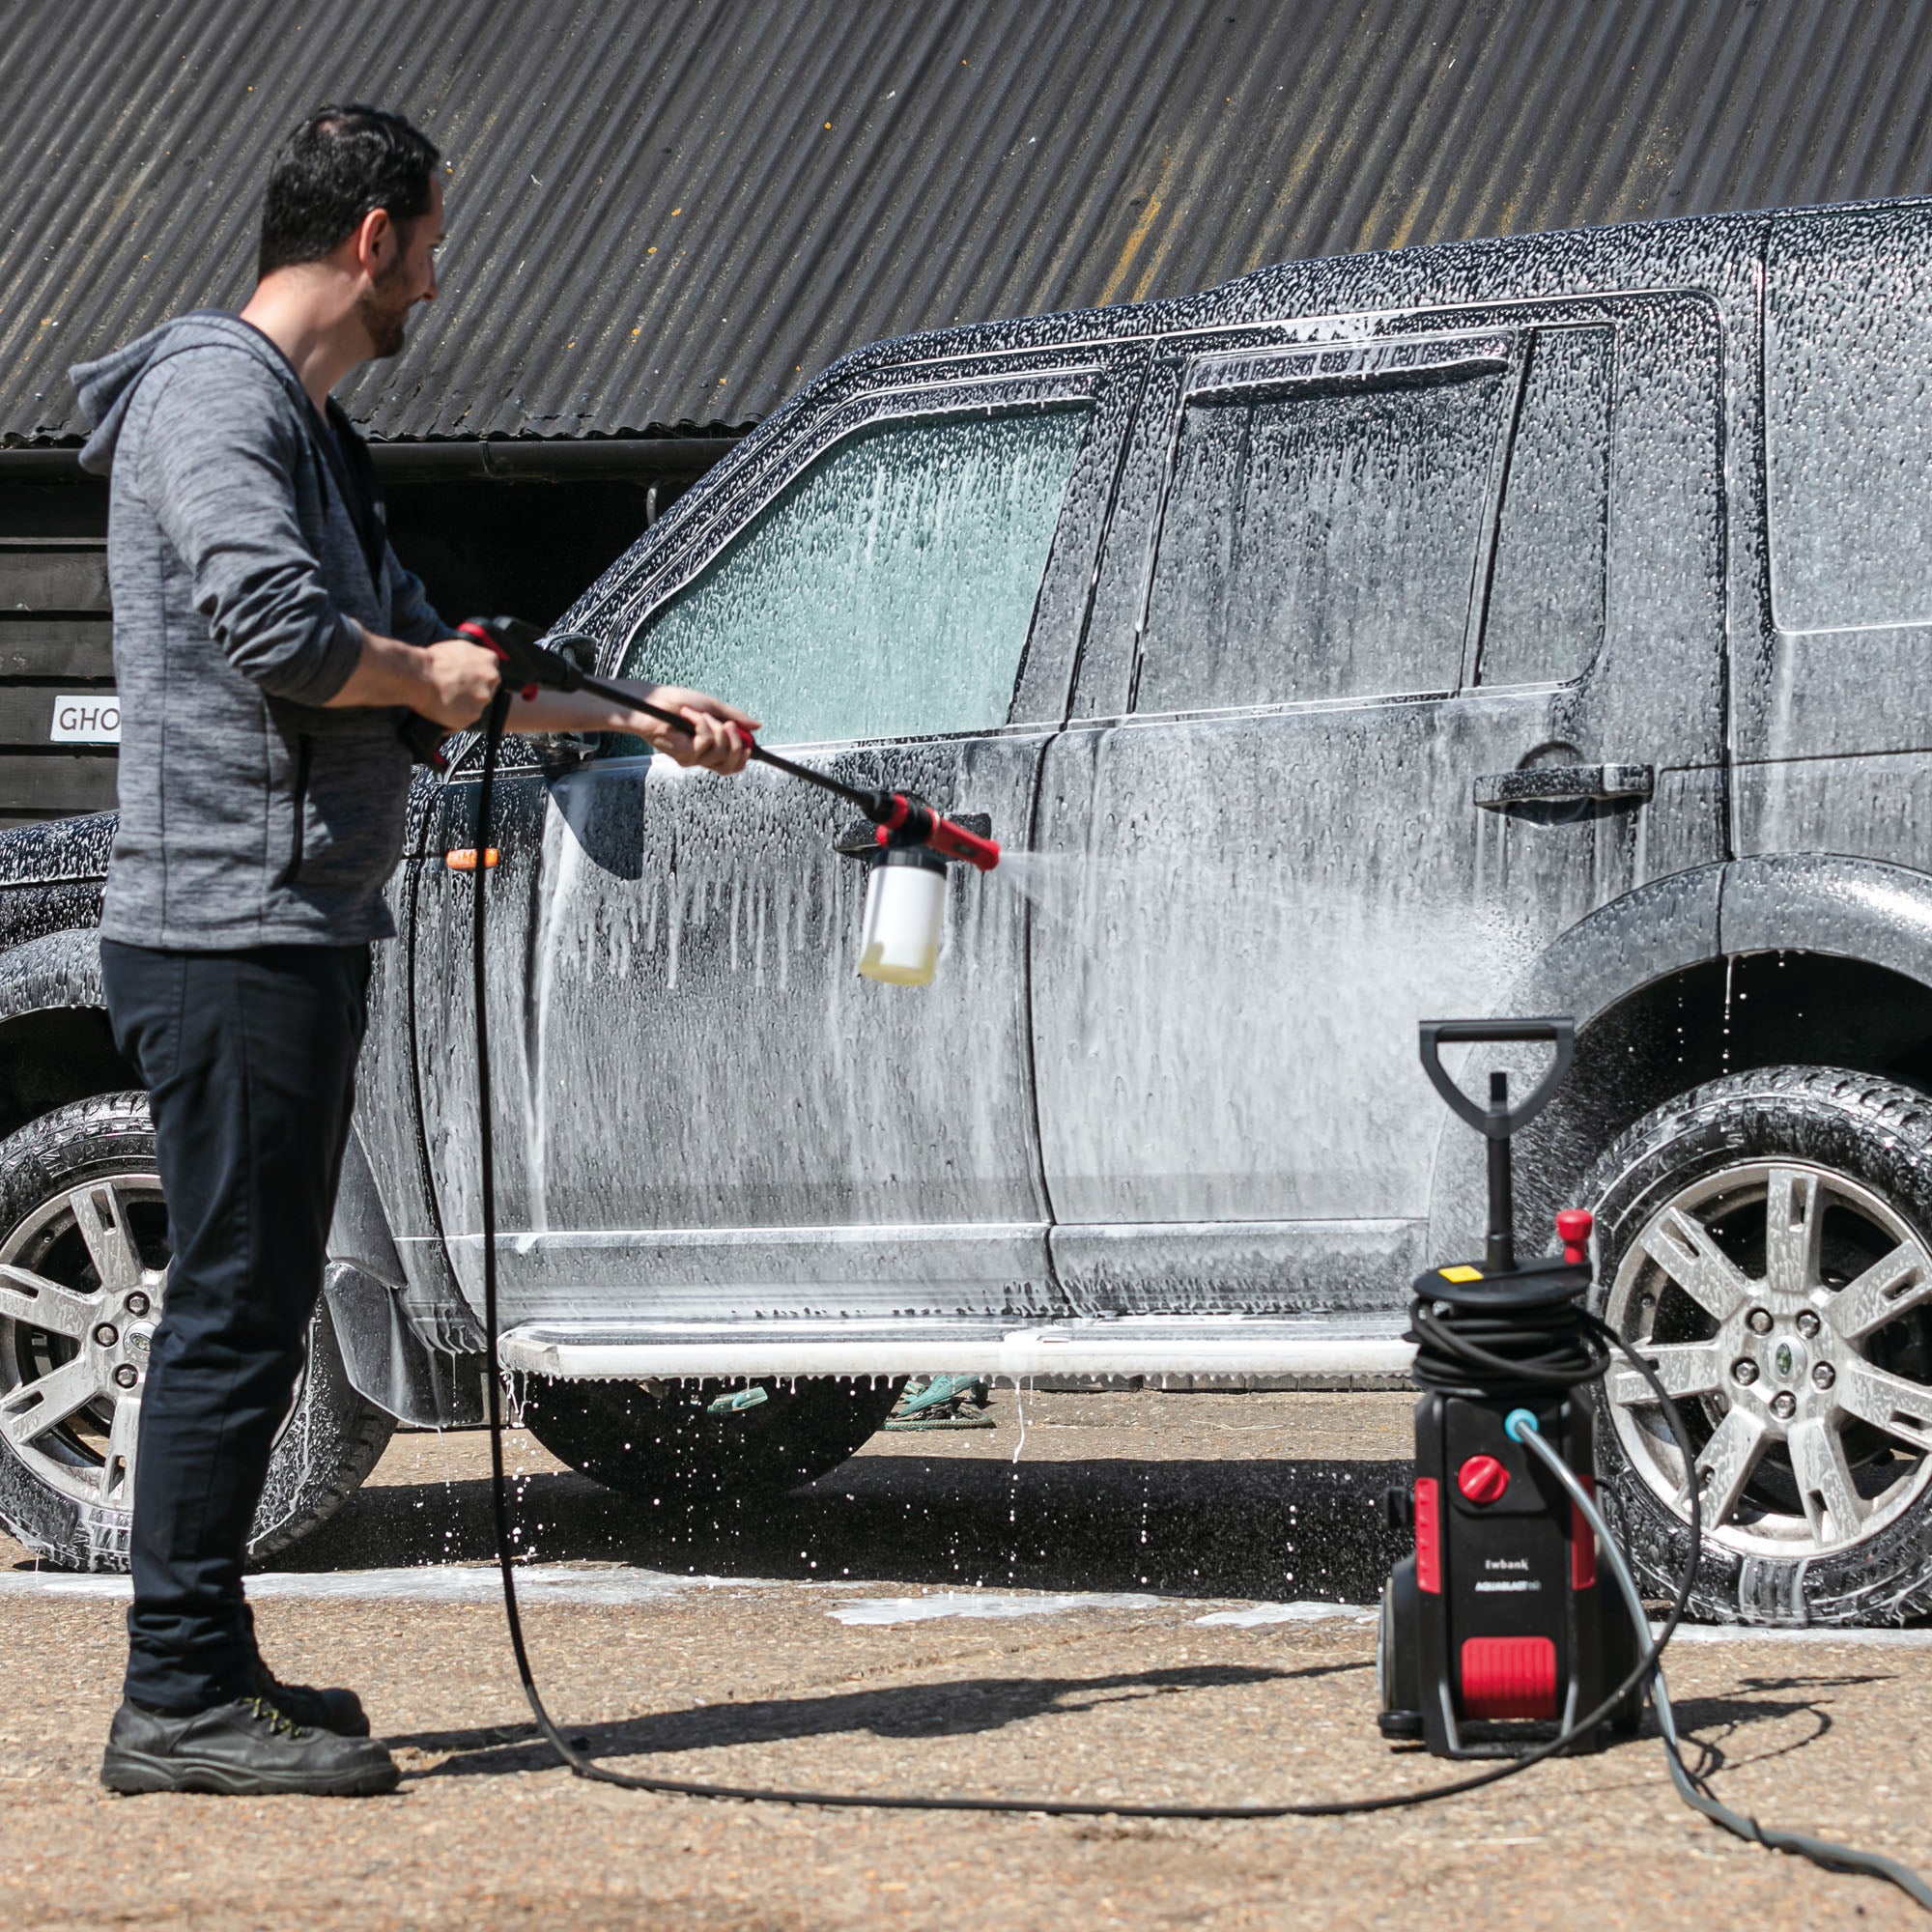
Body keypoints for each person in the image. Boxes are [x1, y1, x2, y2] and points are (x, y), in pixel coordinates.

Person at [69, 104, 755, 1798]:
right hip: (227, 929)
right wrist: (427, 685)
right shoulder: (217, 399)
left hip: (288, 923)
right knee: (236, 1309)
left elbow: (446, 647)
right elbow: (288, 635)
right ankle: (171, 1699)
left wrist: (636, 716)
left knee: (255, 1293)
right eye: (432, 244)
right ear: (371, 238)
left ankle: (211, 1662)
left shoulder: (301, 423)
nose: (437, 281)